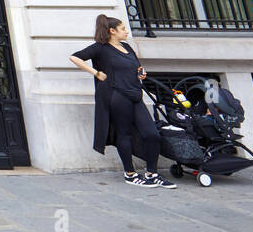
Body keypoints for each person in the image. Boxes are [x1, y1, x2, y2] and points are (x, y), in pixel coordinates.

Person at [70, 13, 175, 189]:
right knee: (124, 134)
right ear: (112, 31)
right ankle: (130, 173)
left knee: (152, 134)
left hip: (135, 94)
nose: (126, 31)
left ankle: (152, 173)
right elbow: (75, 57)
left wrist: (141, 73)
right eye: (123, 29)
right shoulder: (100, 48)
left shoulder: (127, 47)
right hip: (117, 96)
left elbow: (136, 66)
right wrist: (95, 73)